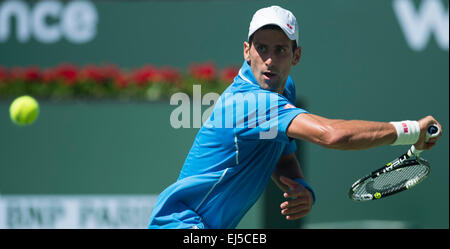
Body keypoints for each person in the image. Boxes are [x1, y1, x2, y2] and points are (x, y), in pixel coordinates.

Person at [148, 5, 442, 229]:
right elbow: (334, 135)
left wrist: (301, 187)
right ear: (246, 51)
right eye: (261, 48)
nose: (270, 60)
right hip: (182, 225)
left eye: (280, 50)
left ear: (296, 56)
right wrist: (410, 130)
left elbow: (282, 157)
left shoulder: (282, 90)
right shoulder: (249, 102)